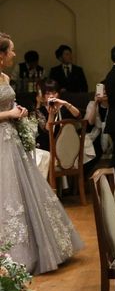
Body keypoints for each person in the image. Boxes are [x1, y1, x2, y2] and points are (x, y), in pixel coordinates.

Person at [0, 32, 83, 274]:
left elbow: (7, 105)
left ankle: (42, 247)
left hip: (12, 137)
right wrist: (8, 114)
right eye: (11, 50)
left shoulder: (5, 77)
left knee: (25, 188)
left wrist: (18, 111)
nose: (15, 54)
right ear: (1, 55)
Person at [34, 79, 81, 152]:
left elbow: (78, 115)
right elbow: (47, 131)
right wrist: (51, 114)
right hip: (48, 145)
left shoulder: (64, 105)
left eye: (54, 93)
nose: (51, 96)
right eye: (47, 93)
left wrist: (65, 103)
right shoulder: (40, 110)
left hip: (65, 143)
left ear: (58, 94)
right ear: (43, 95)